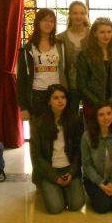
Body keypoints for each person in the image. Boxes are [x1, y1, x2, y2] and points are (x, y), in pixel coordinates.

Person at [29, 84, 84, 214]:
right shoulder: (38, 124)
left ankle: (61, 189)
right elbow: (36, 157)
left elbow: (78, 152)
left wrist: (71, 172)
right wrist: (54, 177)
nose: (60, 101)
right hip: (49, 170)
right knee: (56, 208)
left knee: (76, 205)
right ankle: (46, 187)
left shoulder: (74, 121)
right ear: (49, 101)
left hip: (68, 169)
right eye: (56, 98)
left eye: (63, 97)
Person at [18, 8, 68, 123]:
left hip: (57, 93)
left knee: (58, 128)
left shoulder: (60, 45)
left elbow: (65, 70)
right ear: (38, 22)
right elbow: (21, 79)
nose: (48, 24)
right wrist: (23, 107)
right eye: (45, 20)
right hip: (37, 95)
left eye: (51, 21)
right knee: (38, 130)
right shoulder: (28, 48)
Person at [81, 103, 112, 213]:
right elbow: (87, 164)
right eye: (101, 115)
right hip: (95, 180)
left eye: (108, 113)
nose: (106, 117)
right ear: (96, 117)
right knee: (102, 207)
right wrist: (101, 183)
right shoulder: (87, 136)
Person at [76, 17, 112, 122]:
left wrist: (111, 102)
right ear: (95, 33)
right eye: (102, 32)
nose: (106, 35)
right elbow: (81, 85)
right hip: (93, 105)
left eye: (109, 32)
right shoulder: (85, 55)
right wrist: (98, 103)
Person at [57, 0, 90, 116]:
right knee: (71, 117)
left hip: (89, 84)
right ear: (70, 14)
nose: (78, 16)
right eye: (75, 13)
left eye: (82, 13)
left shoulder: (93, 35)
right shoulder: (60, 38)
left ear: (86, 15)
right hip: (69, 85)